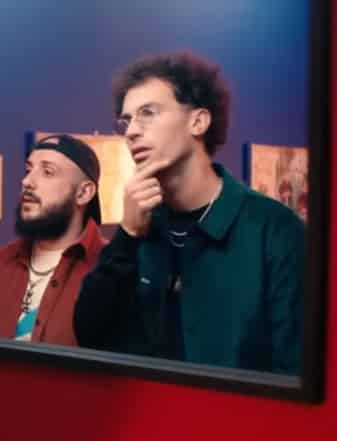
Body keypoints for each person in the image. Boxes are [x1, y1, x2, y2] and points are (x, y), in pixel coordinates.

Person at [74, 52, 305, 374]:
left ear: (198, 122)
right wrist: (127, 235)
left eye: (148, 113)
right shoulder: (141, 226)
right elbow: (90, 335)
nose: (131, 131)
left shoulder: (275, 229)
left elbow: (294, 367)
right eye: (126, 120)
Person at [0, 135, 107, 345]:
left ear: (83, 193)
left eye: (47, 172)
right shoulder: (1, 262)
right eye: (28, 170)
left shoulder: (108, 268)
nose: (27, 182)